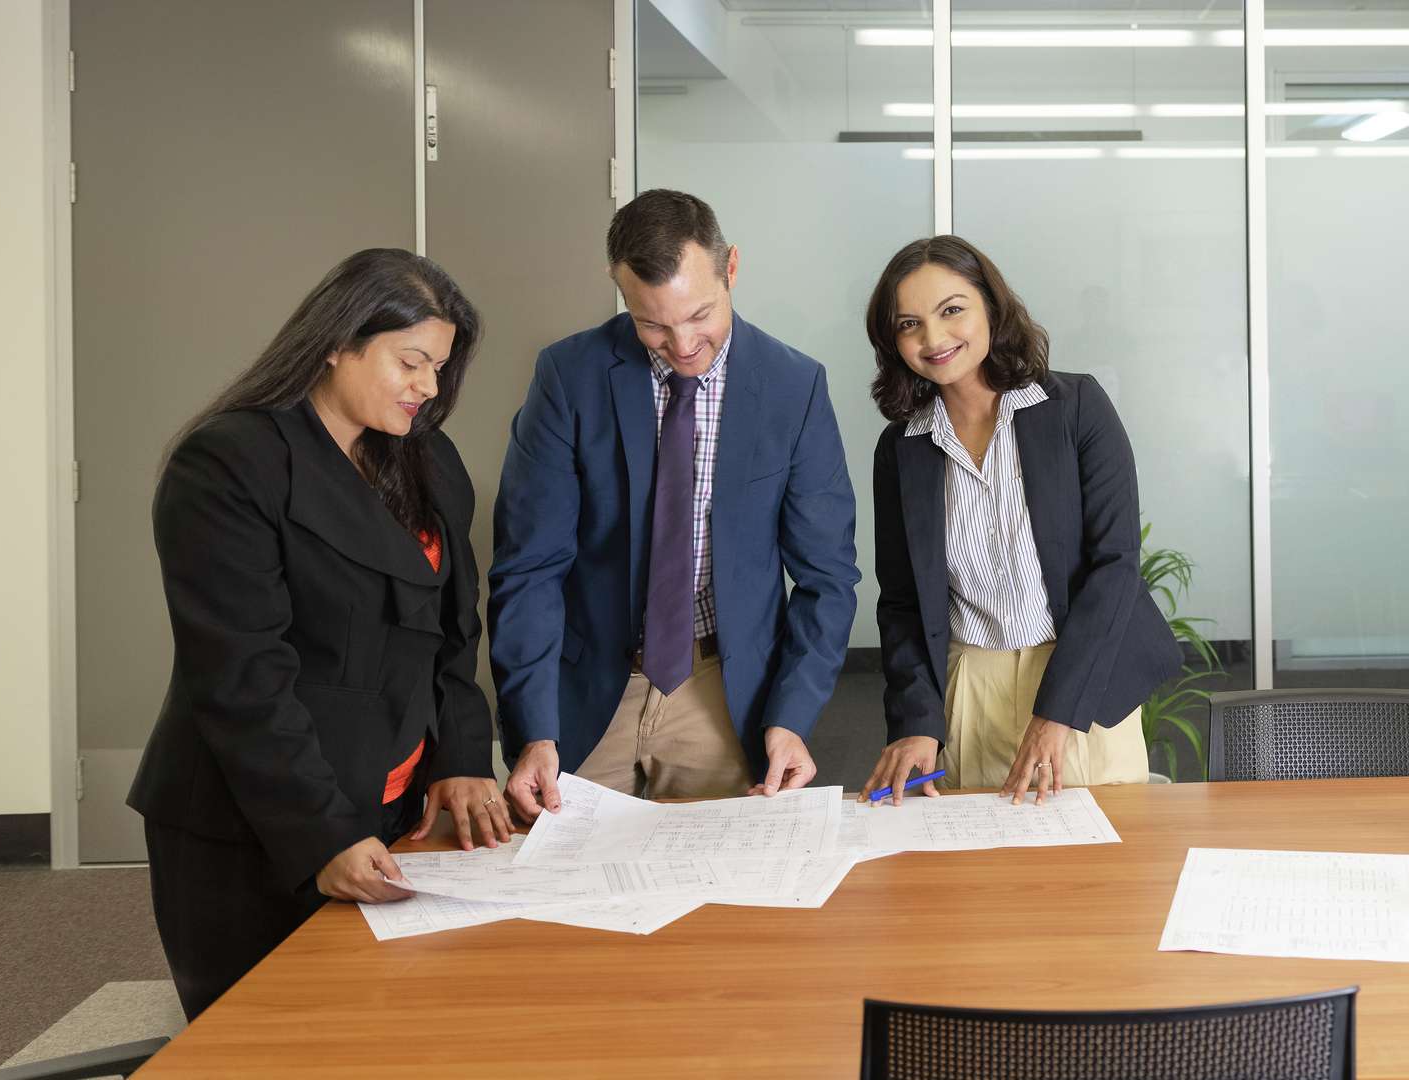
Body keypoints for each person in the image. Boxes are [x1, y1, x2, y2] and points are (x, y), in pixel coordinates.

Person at [127, 249, 507, 1020]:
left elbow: (453, 632)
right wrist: (321, 834)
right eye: (411, 362)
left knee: (390, 1034)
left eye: (439, 367)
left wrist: (463, 757)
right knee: (269, 1047)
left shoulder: (428, 457)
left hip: (393, 809)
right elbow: (242, 677)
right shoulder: (231, 464)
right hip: (262, 825)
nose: (429, 387)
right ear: (337, 341)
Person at [490, 189, 860, 817]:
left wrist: (792, 715)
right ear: (620, 288)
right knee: (566, 901)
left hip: (724, 690)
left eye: (700, 315)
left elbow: (827, 577)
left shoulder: (794, 387)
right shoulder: (568, 375)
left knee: (726, 899)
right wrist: (534, 726)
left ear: (731, 268)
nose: (683, 344)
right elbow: (530, 565)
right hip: (586, 695)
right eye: (653, 324)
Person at [860, 236, 1181, 806]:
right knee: (975, 881)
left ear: (991, 305)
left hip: (1082, 682)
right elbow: (903, 601)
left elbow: (1115, 567)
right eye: (909, 323)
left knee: (1106, 877)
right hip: (970, 690)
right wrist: (916, 720)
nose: (933, 338)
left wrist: (1057, 712)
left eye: (952, 310)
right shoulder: (900, 449)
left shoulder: (1077, 408)